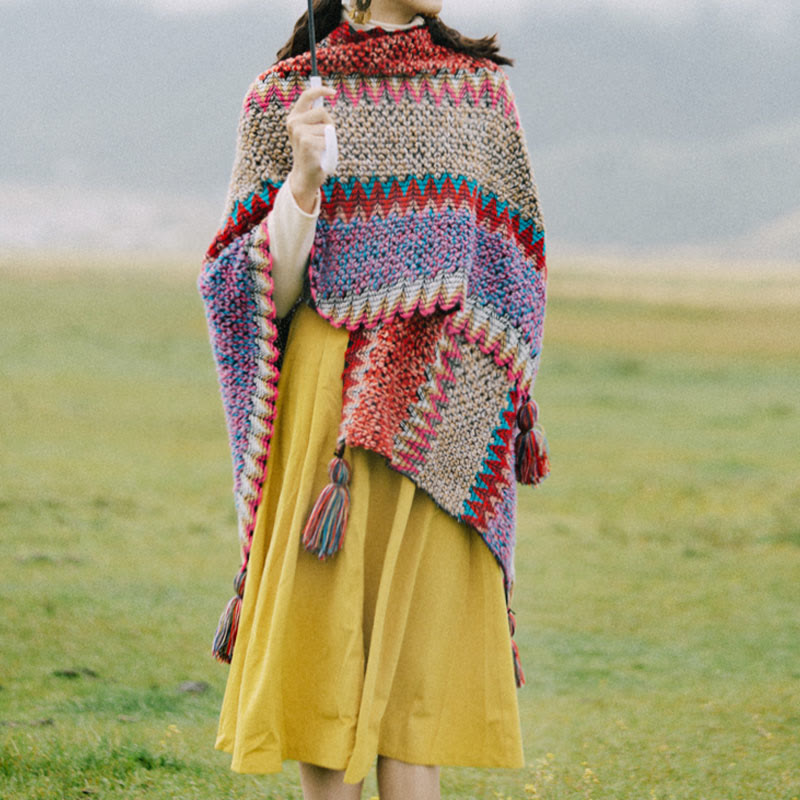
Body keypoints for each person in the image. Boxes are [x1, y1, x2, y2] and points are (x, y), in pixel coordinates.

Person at [198, 1, 549, 798]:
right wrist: (304, 180)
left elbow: (514, 265)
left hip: (439, 407)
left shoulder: (478, 94)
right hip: (326, 418)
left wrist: (469, 391)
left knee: (412, 679)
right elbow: (245, 290)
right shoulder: (284, 95)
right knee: (326, 656)